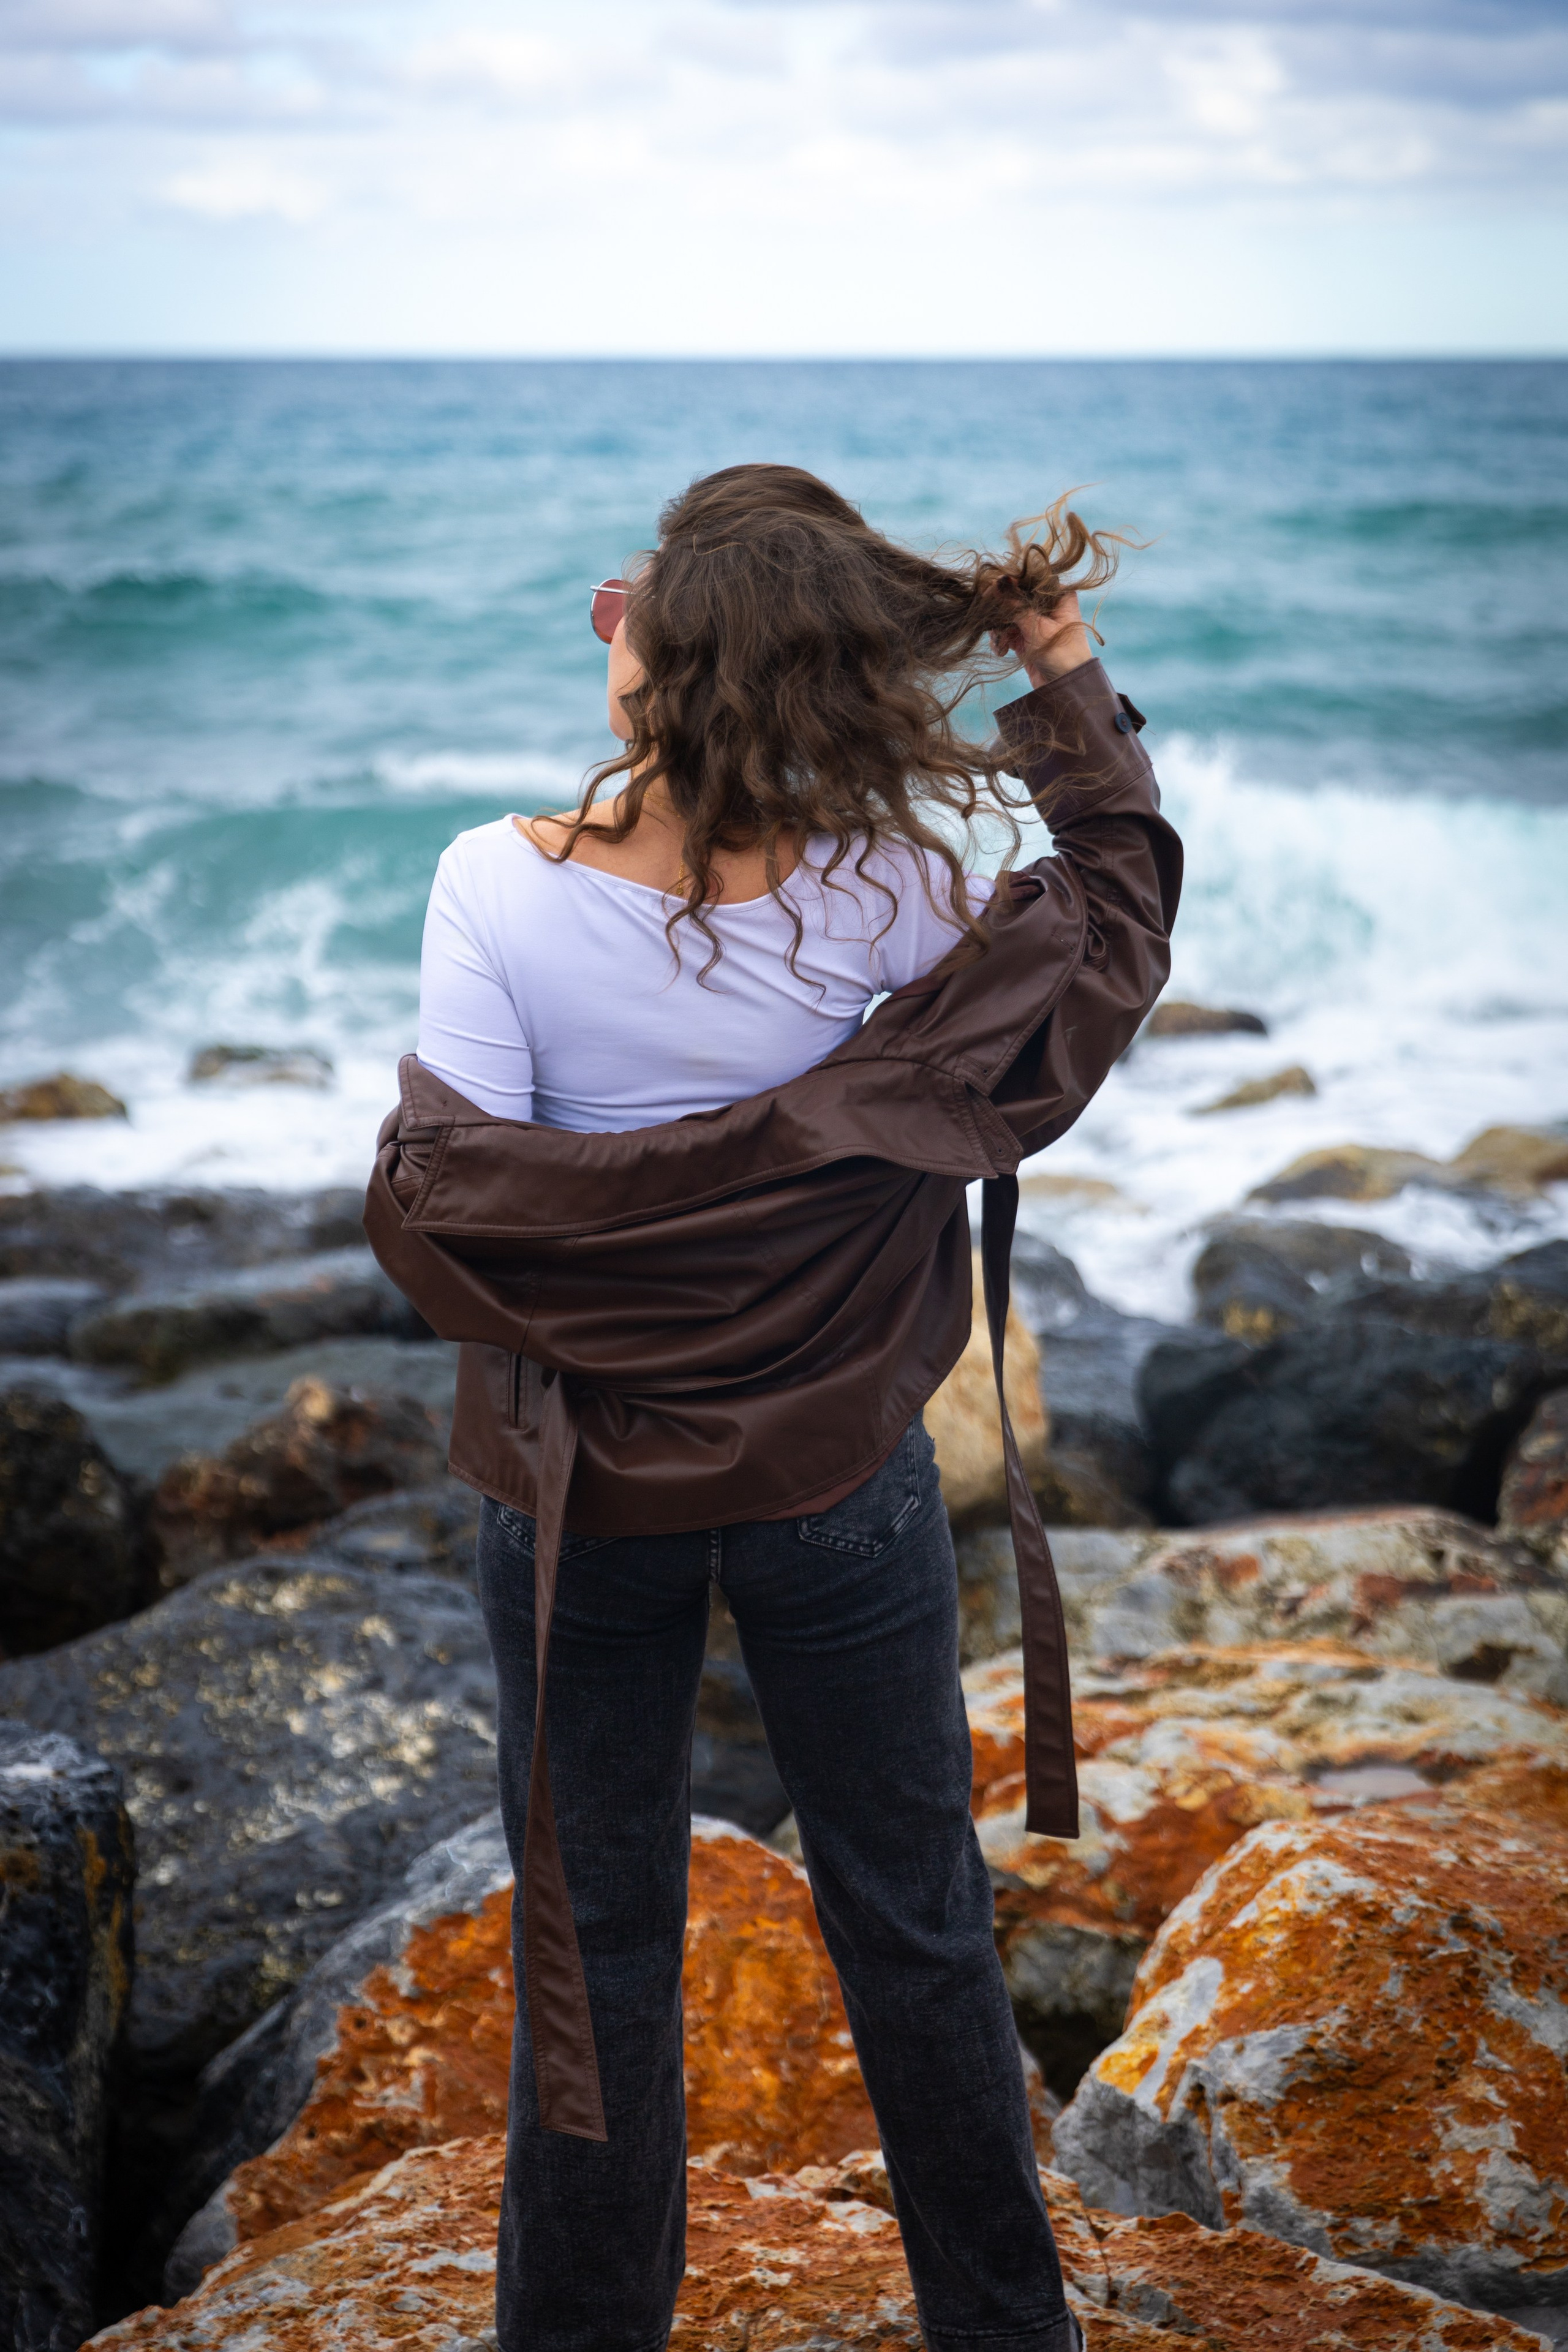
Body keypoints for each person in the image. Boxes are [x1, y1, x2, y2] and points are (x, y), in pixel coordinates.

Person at [368, 462, 1182, 2352]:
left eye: (623, 607)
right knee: (913, 1930)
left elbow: (458, 1207)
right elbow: (1112, 931)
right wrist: (1062, 681)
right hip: (839, 1480)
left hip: (577, 1505)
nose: (603, 620)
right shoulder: (898, 895)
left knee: (602, 1962)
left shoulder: (494, 883)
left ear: (657, 664)